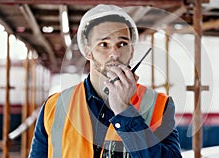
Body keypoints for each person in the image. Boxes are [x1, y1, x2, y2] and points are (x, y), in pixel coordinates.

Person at [29, 4, 182, 158]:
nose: (114, 53)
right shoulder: (54, 107)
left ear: (132, 51)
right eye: (104, 44)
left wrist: (125, 112)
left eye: (122, 44)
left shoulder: (159, 105)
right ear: (88, 51)